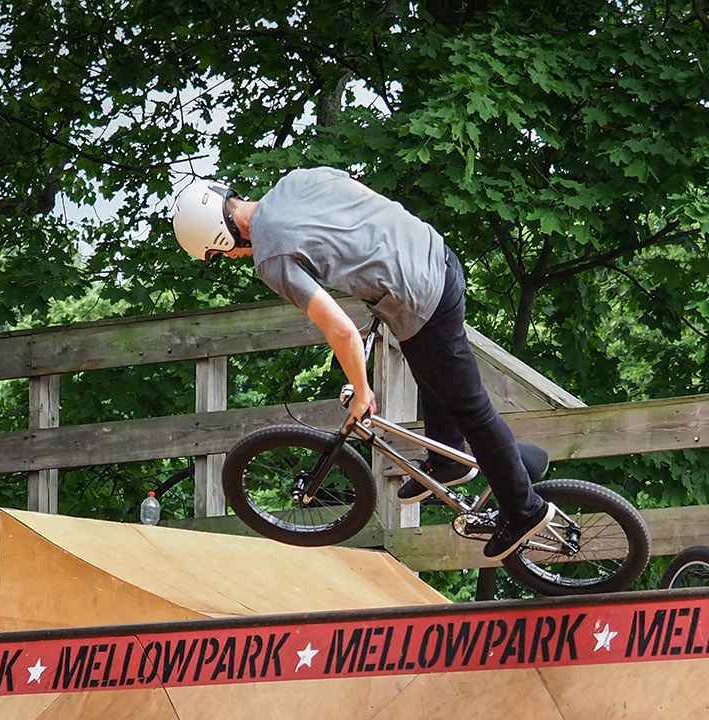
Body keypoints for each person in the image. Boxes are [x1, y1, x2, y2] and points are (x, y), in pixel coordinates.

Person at [172, 170, 557, 560]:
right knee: (430, 371)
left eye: (221, 253)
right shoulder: (298, 180)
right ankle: (446, 459)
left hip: (417, 297)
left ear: (221, 237)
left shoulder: (272, 257)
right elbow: (368, 205)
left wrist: (361, 388)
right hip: (435, 255)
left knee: (471, 409)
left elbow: (339, 330)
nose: (232, 257)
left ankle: (524, 509)